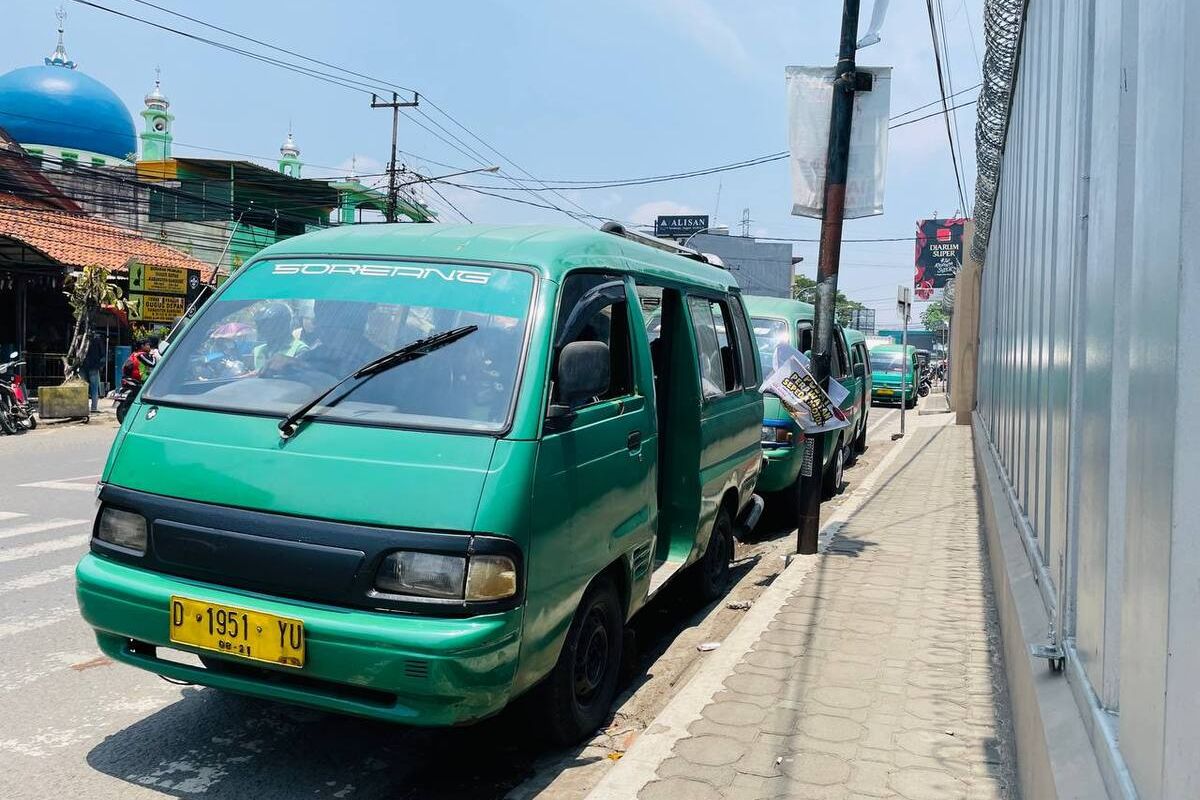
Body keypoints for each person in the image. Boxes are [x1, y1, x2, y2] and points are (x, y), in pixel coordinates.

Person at [252, 302, 309, 372]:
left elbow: (304, 375)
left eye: (268, 325)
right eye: (261, 325)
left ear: (282, 325)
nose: (263, 329)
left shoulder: (300, 349)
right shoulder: (258, 350)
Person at [81, 332, 105, 413]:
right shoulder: (97, 339)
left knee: (83, 388)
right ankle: (94, 408)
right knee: (94, 388)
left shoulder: (80, 338)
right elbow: (102, 353)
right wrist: (100, 365)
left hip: (82, 365)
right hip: (94, 366)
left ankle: (83, 407)